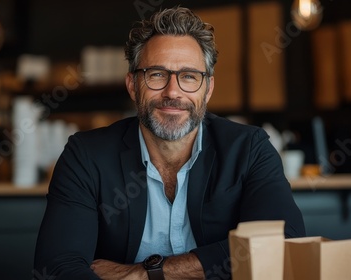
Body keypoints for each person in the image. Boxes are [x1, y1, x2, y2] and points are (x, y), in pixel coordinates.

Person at [34, 6, 305, 280]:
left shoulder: (249, 149)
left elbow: (281, 243)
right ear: (132, 85)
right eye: (156, 74)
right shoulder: (86, 155)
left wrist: (145, 273)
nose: (172, 92)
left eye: (189, 76)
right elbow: (56, 268)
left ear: (208, 89)